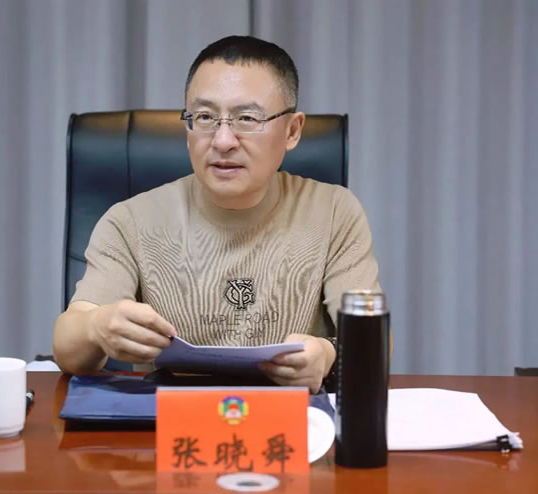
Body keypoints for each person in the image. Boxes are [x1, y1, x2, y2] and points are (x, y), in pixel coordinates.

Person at [53, 35, 380, 393]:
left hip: (292, 418)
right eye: (205, 117)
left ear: (292, 130)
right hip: (167, 419)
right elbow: (67, 346)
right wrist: (96, 326)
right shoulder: (130, 221)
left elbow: (375, 347)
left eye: (247, 118)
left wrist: (328, 355)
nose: (223, 141)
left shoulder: (334, 212)